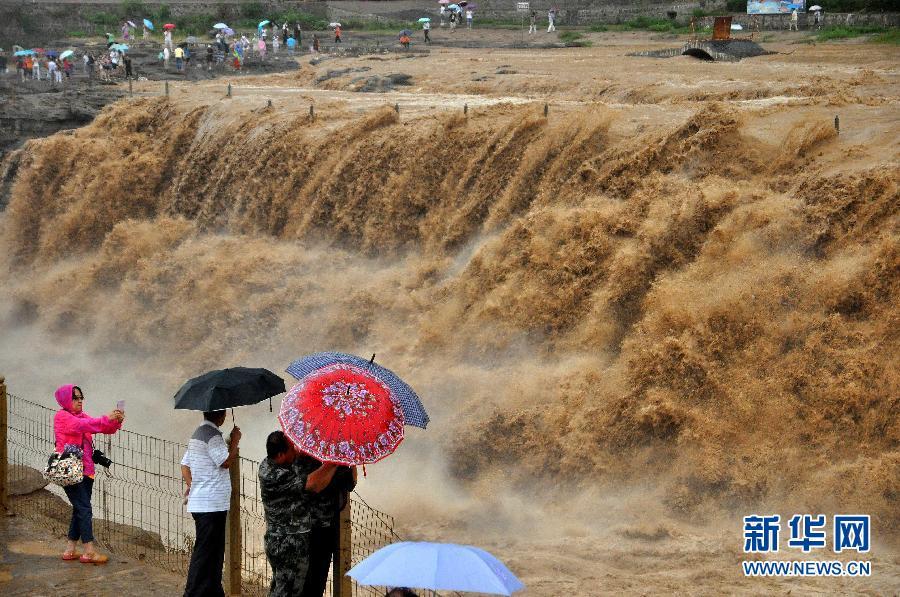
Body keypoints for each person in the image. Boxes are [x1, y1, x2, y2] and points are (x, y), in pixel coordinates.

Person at [259, 432, 338, 597]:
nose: (295, 449)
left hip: (280, 541)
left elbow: (296, 462)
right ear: (280, 455)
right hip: (287, 544)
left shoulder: (268, 464)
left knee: (283, 588)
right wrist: (334, 462)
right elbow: (313, 484)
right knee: (286, 592)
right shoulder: (276, 476)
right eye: (291, 448)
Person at [53, 384, 124, 564]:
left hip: (86, 471)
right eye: (75, 398)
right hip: (70, 470)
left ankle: (70, 550)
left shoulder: (81, 416)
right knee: (85, 509)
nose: (79, 401)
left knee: (79, 508)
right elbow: (83, 425)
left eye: (81, 397)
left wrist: (115, 421)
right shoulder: (63, 417)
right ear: (65, 400)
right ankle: (89, 552)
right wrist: (106, 418)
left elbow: (101, 427)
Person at [181, 410, 241, 597]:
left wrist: (192, 485)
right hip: (211, 504)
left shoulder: (197, 434)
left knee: (214, 552)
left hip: (205, 503)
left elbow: (184, 465)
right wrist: (235, 441)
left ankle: (214, 591)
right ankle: (192, 592)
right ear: (221, 417)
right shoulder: (213, 436)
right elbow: (225, 462)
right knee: (205, 553)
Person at [299, 454, 356, 597]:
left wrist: (351, 462)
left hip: (318, 529)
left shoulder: (308, 455)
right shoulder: (310, 460)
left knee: (312, 582)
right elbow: (315, 486)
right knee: (309, 582)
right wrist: (336, 462)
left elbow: (350, 483)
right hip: (312, 530)